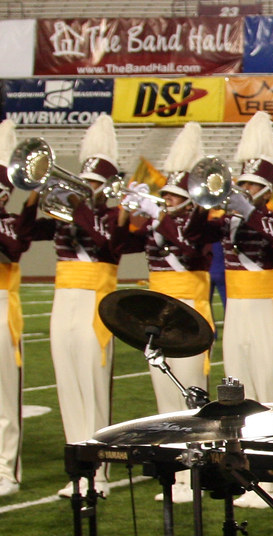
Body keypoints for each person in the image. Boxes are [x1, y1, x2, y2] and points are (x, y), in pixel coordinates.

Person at [17, 114, 123, 497]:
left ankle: (101, 472)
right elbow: (25, 234)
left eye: (93, 183)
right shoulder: (66, 217)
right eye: (84, 181)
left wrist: (81, 205)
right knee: (67, 382)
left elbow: (108, 240)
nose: (85, 188)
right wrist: (32, 196)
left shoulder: (112, 216)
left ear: (106, 187)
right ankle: (79, 468)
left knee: (93, 384)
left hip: (95, 301)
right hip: (64, 299)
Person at [111, 122, 217, 503]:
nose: (167, 199)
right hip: (158, 313)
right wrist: (126, 210)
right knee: (165, 398)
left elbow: (189, 249)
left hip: (188, 313)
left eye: (174, 195)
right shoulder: (162, 221)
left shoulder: (198, 221)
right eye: (166, 194)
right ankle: (176, 472)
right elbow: (118, 243)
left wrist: (159, 218)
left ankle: (196, 473)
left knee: (190, 394)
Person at [201, 112, 273, 507]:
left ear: (267, 189)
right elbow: (194, 233)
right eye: (242, 184)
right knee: (236, 392)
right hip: (236, 309)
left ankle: (272, 479)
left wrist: (252, 211)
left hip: (265, 310)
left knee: (267, 389)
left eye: (252, 186)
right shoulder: (227, 218)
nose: (243, 190)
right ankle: (246, 473)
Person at [0, 120, 30, 496]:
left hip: (2, 306)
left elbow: (13, 248)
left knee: (4, 393)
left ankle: (6, 468)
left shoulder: (10, 223)